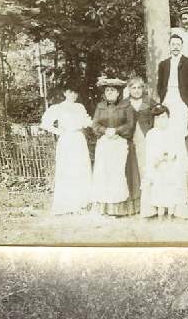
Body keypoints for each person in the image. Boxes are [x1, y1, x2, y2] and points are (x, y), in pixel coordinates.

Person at [40, 85, 94, 215]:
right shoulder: (59, 108)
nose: (73, 95)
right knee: (67, 169)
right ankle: (67, 203)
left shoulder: (80, 107)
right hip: (66, 140)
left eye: (75, 92)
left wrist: (96, 123)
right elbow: (45, 123)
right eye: (70, 91)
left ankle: (82, 202)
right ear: (65, 92)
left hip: (79, 140)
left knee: (80, 168)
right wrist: (58, 131)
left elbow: (87, 121)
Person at [91, 76, 140, 216]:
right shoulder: (100, 107)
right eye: (107, 91)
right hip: (105, 144)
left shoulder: (126, 106)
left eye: (113, 90)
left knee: (121, 173)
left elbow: (130, 125)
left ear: (118, 93)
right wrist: (105, 131)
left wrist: (116, 131)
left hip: (122, 143)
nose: (110, 93)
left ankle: (124, 208)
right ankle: (106, 207)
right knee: (105, 173)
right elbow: (95, 125)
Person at [140, 105, 188, 220]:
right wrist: (157, 160)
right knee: (155, 178)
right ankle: (159, 210)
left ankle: (172, 211)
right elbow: (149, 154)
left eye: (163, 117)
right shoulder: (151, 134)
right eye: (157, 118)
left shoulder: (175, 132)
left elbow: (180, 151)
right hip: (157, 165)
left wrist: (171, 157)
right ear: (153, 120)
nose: (161, 121)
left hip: (172, 164)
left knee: (173, 176)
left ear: (168, 117)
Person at [157, 34, 188, 144]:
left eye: (178, 44)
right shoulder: (164, 64)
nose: (175, 47)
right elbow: (160, 84)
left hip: (183, 99)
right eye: (173, 44)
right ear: (169, 46)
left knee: (181, 129)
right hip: (167, 98)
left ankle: (182, 157)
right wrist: (163, 96)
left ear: (181, 46)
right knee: (167, 127)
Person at [122, 77, 155, 181]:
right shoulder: (124, 103)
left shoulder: (149, 101)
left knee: (145, 160)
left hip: (145, 135)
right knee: (131, 161)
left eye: (139, 88)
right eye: (133, 88)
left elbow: (157, 116)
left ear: (143, 89)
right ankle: (134, 191)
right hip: (128, 136)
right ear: (129, 89)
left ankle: (147, 189)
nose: (136, 91)